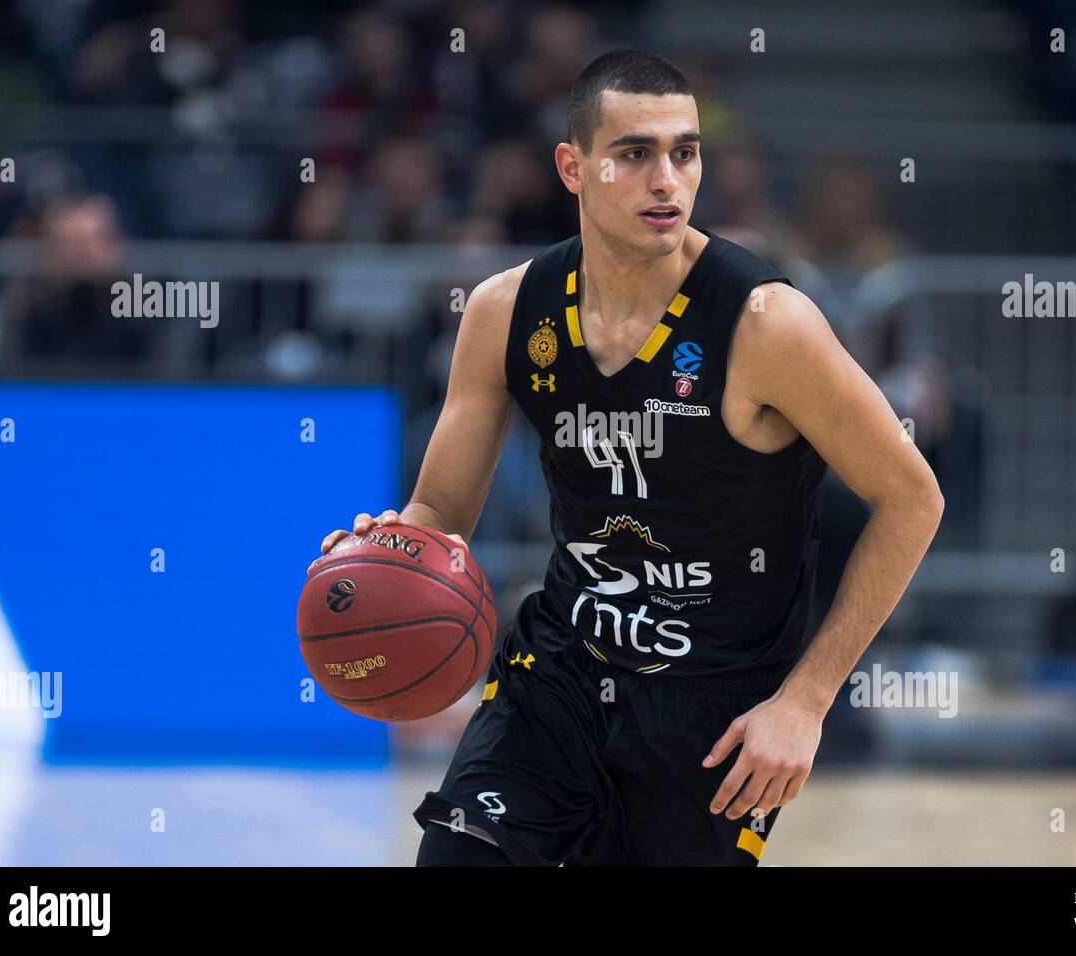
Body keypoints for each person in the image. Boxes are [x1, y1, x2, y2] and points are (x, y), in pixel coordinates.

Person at [320, 49, 943, 866]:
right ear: (573, 168)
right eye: (635, 154)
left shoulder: (766, 324)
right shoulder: (507, 312)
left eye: (685, 153)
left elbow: (912, 498)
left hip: (712, 715)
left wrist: (807, 701)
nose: (667, 180)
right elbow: (442, 511)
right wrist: (392, 550)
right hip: (559, 679)